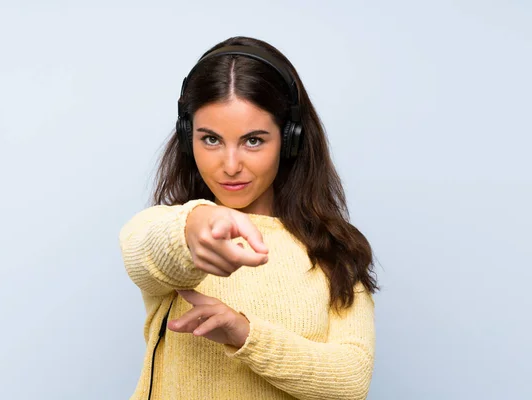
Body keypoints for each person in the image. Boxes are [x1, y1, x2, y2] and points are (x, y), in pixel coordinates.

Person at [119, 36, 379, 400]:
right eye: (210, 139)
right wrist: (192, 229)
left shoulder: (333, 249)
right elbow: (144, 249)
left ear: (291, 140)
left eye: (253, 141)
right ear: (186, 137)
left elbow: (351, 382)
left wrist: (244, 334)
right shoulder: (164, 226)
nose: (229, 165)